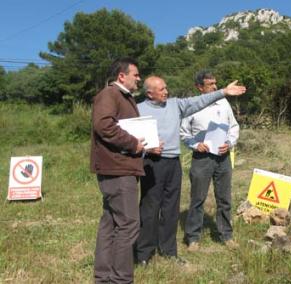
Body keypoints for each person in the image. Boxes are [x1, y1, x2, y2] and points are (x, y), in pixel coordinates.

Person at [134, 75, 246, 265]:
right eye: (161, 90)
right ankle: (144, 253)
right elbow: (128, 137)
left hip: (173, 162)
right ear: (149, 93)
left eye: (166, 88)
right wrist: (146, 148)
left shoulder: (175, 104)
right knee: (150, 208)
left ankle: (169, 251)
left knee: (171, 209)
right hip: (151, 163)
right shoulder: (137, 109)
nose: (166, 92)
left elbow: (199, 101)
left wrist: (223, 92)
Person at [90, 57, 146, 283]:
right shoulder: (110, 94)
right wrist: (133, 143)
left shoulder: (122, 97)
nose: (139, 78)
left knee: (111, 224)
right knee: (128, 225)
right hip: (118, 170)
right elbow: (103, 125)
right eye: (136, 74)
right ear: (122, 76)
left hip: (118, 169)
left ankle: (103, 277)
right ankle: (121, 279)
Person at [180, 70, 240, 252]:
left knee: (224, 198)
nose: (215, 87)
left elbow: (234, 127)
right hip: (202, 158)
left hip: (223, 157)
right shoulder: (192, 106)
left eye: (215, 83)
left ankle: (226, 236)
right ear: (199, 87)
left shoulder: (224, 102)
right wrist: (195, 144)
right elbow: (183, 132)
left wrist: (229, 143)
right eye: (210, 84)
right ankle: (193, 238)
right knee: (198, 199)